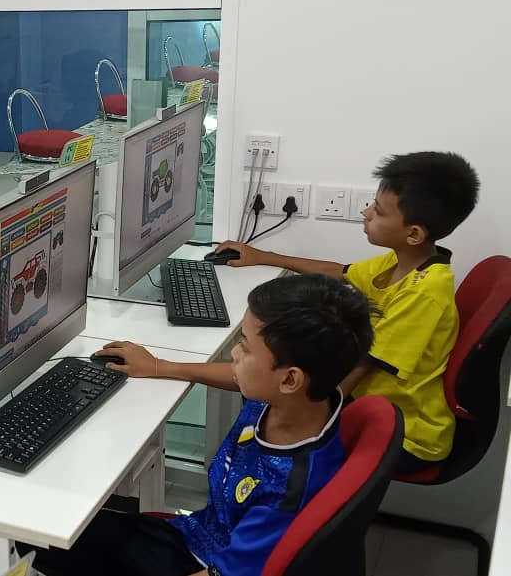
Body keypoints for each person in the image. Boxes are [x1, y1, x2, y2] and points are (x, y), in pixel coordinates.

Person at [26, 274, 374, 576]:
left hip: (199, 561)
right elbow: (239, 377)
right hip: (196, 531)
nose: (234, 353)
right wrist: (160, 366)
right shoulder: (302, 398)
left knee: (40, 538)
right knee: (44, 528)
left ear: (289, 379)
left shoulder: (287, 492)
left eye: (245, 346)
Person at [209, 152, 479, 472]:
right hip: (374, 403)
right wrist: (263, 256)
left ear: (414, 234)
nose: (366, 213)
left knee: (271, 385)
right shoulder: (402, 262)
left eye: (378, 211)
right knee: (273, 379)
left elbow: (363, 366)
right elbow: (340, 272)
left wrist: (307, 420)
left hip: (406, 431)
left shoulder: (425, 292)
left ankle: (274, 489)